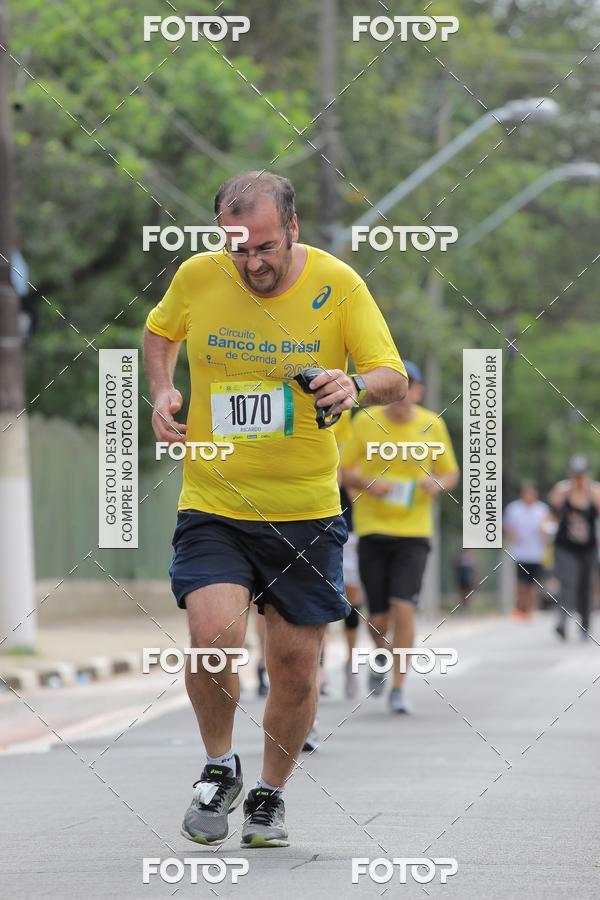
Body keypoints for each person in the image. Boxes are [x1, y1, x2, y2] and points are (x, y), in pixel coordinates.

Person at [143, 171, 407, 848]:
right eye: (238, 250)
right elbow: (159, 331)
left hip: (305, 512)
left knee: (293, 666)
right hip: (215, 502)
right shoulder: (200, 277)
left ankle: (269, 795)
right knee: (211, 638)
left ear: (292, 229)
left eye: (264, 246)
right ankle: (216, 766)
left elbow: (391, 374)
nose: (252, 262)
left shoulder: (339, 284)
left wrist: (354, 383)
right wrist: (164, 391)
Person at [340, 361, 459, 714]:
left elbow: (450, 473)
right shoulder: (365, 422)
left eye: (410, 388)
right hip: (373, 529)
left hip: (414, 531)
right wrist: (369, 484)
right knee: (378, 617)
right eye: (396, 389)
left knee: (404, 606)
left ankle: (399, 687)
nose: (402, 397)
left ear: (419, 392)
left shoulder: (432, 425)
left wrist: (434, 483)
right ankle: (379, 653)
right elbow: (343, 472)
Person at [549, 456, 600, 640]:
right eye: (575, 475)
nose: (578, 479)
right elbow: (553, 508)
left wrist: (589, 491)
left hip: (588, 549)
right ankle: (562, 622)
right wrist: (566, 491)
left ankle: (585, 625)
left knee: (586, 585)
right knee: (568, 581)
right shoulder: (562, 490)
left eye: (581, 475)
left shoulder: (594, 491)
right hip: (566, 547)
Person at [503, 482, 549, 620]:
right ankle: (520, 608)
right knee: (521, 584)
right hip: (520, 552)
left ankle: (529, 609)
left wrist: (544, 532)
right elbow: (506, 526)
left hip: (536, 553)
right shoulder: (514, 508)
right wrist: (512, 535)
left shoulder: (542, 509)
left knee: (532, 584)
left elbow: (548, 528)